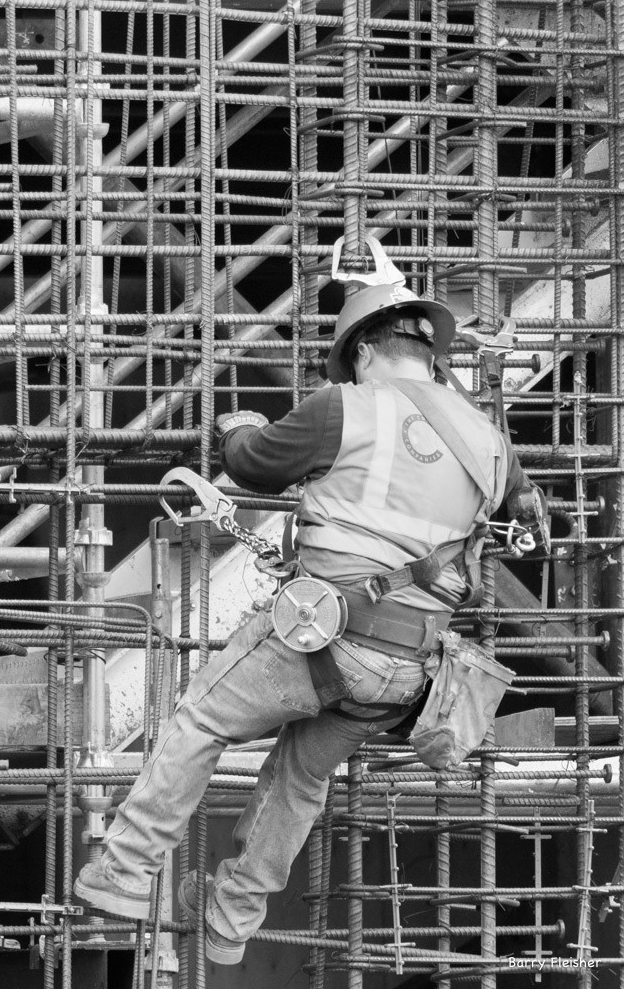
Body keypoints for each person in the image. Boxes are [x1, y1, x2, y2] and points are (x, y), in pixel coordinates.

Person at [73, 282, 545, 963]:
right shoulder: (490, 442)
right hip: (406, 672)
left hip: (322, 634)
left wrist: (234, 426)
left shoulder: (344, 407)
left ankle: (122, 874)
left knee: (200, 719)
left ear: (359, 353)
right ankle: (230, 920)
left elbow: (254, 465)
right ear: (429, 356)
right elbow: (519, 499)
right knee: (300, 776)